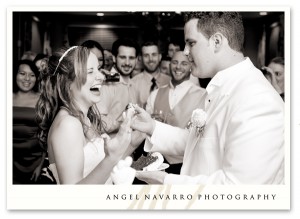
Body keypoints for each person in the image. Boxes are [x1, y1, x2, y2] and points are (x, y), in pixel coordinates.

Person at [131, 12, 284, 185]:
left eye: (191, 43)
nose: (185, 52)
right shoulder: (220, 88)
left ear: (217, 42)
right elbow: (198, 143)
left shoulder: (258, 101)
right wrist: (152, 127)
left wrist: (167, 182)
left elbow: (240, 190)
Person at [36, 46, 134, 184]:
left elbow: (98, 166)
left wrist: (136, 137)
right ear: (68, 83)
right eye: (90, 71)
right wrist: (111, 158)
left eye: (99, 69)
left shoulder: (84, 118)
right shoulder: (68, 125)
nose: (101, 76)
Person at [146, 51, 206, 174]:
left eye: (184, 63)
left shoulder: (203, 95)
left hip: (187, 165)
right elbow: (145, 130)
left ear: (191, 66)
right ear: (169, 65)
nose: (178, 67)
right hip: (157, 164)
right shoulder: (155, 94)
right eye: (175, 62)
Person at [13, 59, 54, 184]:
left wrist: (41, 164)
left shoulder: (42, 100)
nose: (27, 79)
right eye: (22, 73)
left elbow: (47, 135)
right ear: (15, 74)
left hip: (34, 159)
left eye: (32, 75)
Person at [96, 38, 141, 135]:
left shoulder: (133, 84)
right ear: (114, 58)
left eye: (131, 58)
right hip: (108, 147)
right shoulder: (106, 83)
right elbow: (98, 123)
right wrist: (125, 124)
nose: (127, 63)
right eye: (123, 57)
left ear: (137, 60)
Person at [131, 41, 171, 108]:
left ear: (160, 57)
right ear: (141, 58)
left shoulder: (170, 81)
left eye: (154, 55)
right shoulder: (133, 84)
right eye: (146, 55)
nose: (151, 59)